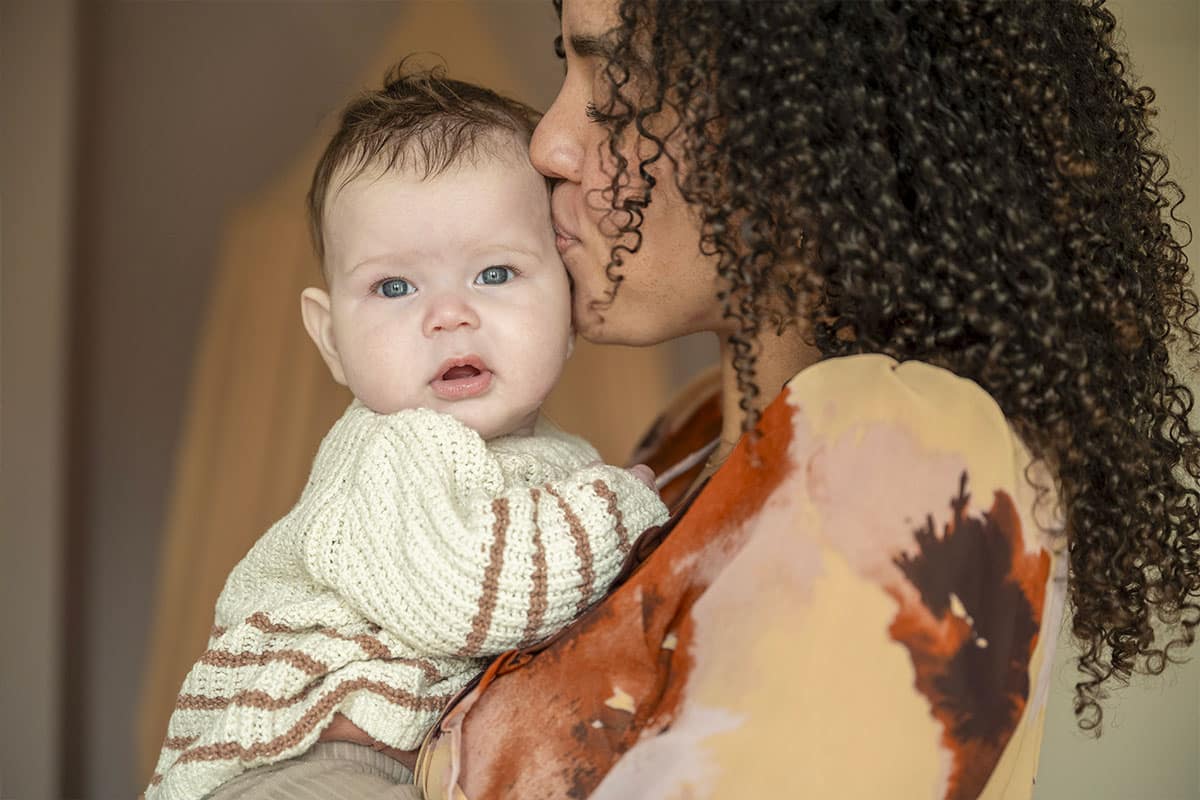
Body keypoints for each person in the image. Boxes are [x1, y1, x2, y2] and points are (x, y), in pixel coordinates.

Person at [409, 1, 1200, 798]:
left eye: (619, 77)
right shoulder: (685, 442)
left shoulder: (899, 459)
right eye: (564, 60)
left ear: (805, 117)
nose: (548, 143)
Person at [143, 67, 668, 800]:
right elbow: (461, 597)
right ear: (332, 340)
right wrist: (620, 510)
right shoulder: (393, 447)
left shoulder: (547, 457)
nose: (449, 314)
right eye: (395, 287)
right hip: (309, 768)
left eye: (494, 272)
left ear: (569, 297)